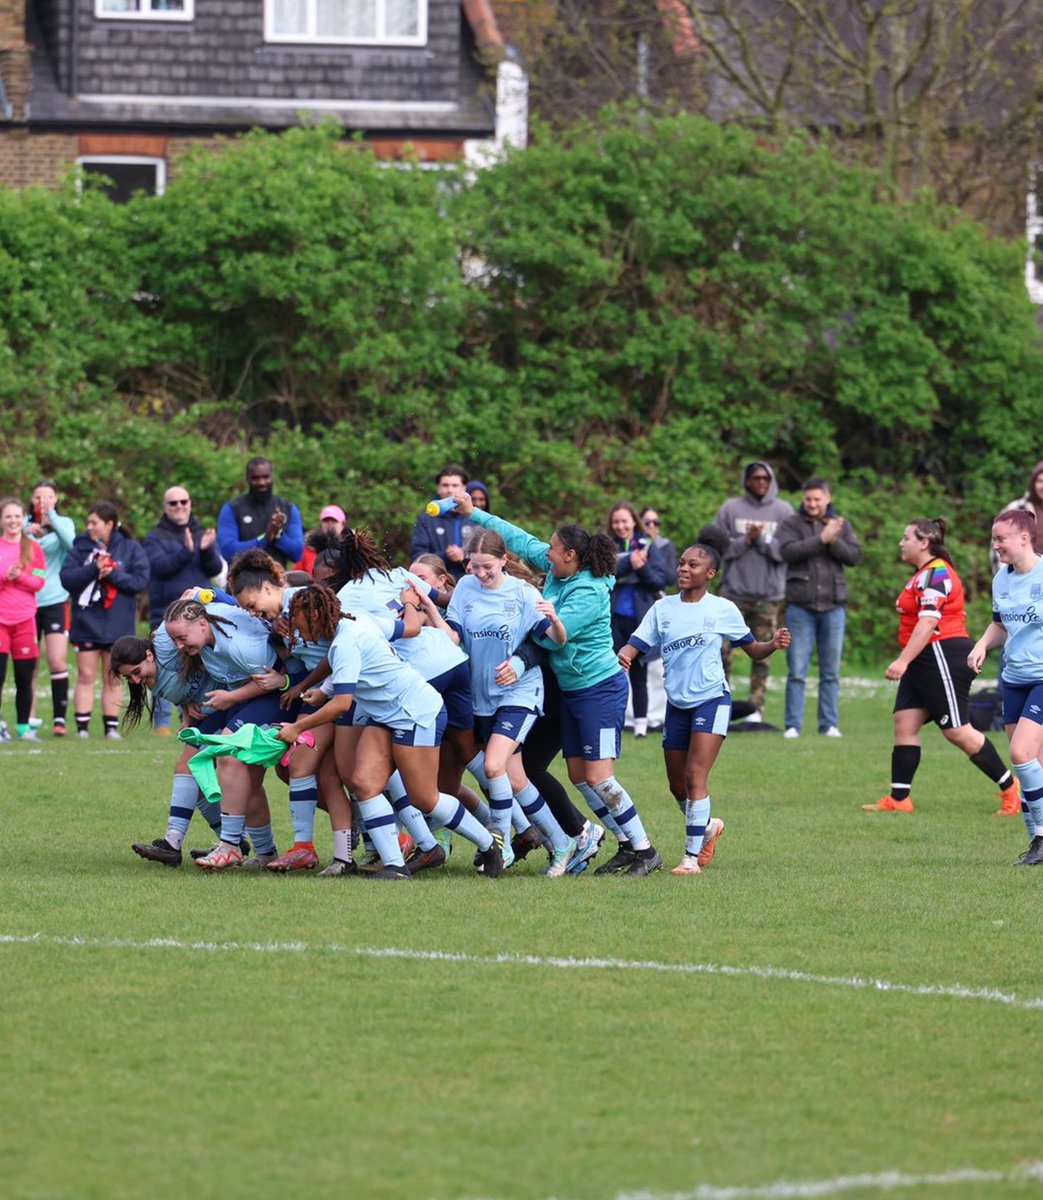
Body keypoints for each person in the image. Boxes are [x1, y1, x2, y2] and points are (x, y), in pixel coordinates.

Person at [451, 488, 663, 876]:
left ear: (571, 555)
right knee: (577, 774)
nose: (545, 552)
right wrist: (475, 514)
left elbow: (546, 636)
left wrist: (513, 653)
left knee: (598, 775)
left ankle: (644, 849)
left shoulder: (589, 591)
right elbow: (517, 540)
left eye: (553, 548)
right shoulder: (557, 569)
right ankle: (619, 842)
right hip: (565, 690)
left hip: (598, 689)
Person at [273, 585, 505, 881]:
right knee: (363, 783)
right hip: (386, 715)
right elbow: (349, 653)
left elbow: (343, 704)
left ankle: (489, 843)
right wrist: (314, 688)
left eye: (297, 619)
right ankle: (395, 866)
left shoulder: (345, 641)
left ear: (316, 614)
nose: (293, 628)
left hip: (415, 712)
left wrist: (297, 727)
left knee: (425, 798)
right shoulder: (353, 621)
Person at [619, 528, 790, 874]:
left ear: (709, 574)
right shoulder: (662, 609)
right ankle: (709, 827)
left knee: (696, 777)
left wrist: (771, 644)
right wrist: (623, 654)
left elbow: (753, 650)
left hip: (712, 700)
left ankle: (690, 859)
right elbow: (633, 644)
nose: (683, 569)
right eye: (681, 563)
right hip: (677, 704)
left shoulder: (723, 609)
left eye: (692, 565)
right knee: (677, 784)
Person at [863, 518, 1021, 816]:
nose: (901, 542)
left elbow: (929, 622)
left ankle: (1011, 789)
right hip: (925, 658)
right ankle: (900, 799)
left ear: (924, 542)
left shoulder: (937, 573)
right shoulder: (923, 573)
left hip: (941, 655)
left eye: (906, 537)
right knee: (905, 723)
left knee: (957, 730)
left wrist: (902, 660)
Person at [445, 527, 579, 875]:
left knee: (493, 767)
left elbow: (555, 640)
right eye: (474, 566)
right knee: (516, 779)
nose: (481, 573)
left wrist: (555, 619)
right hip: (482, 697)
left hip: (521, 692)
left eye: (487, 565)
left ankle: (499, 846)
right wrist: (427, 607)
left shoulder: (522, 593)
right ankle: (563, 844)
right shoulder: (464, 587)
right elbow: (454, 635)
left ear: (504, 560)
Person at [162, 596, 287, 869]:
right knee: (199, 754)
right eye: (174, 639)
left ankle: (230, 844)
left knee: (230, 754)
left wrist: (231, 698)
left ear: (203, 624)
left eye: (182, 638)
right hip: (241, 698)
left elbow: (271, 682)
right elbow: (208, 595)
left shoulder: (242, 647)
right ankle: (265, 853)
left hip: (273, 697)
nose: (178, 646)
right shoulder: (202, 623)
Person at [969, 509, 1043, 865]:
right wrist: (982, 644)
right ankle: (1036, 846)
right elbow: (999, 624)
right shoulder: (1002, 578)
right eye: (994, 539)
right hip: (1013, 679)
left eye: (1001, 539)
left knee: (1021, 754)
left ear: (1024, 539)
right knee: (1032, 763)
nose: (995, 545)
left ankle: (1042, 840)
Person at [776, 477, 862, 738]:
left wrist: (834, 540)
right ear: (803, 500)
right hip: (800, 606)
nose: (812, 504)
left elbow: (855, 557)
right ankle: (793, 725)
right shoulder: (791, 523)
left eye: (817, 499)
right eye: (808, 499)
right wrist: (821, 539)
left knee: (831, 671)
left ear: (828, 499)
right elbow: (785, 552)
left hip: (834, 607)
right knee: (797, 669)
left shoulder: (839, 525)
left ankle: (829, 725)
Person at [59, 500, 150, 740]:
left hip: (118, 624)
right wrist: (93, 569)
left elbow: (139, 582)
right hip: (86, 621)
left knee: (113, 677)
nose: (89, 527)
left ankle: (111, 727)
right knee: (86, 675)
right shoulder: (80, 548)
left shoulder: (130, 548)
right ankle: (82, 729)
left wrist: (113, 573)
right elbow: (67, 579)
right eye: (88, 522)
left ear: (110, 524)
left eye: (94, 522)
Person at [712, 462, 793, 719]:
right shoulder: (730, 508)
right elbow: (718, 548)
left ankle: (755, 709)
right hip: (732, 593)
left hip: (767, 596)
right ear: (746, 480)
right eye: (756, 478)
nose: (761, 482)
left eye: (766, 478)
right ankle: (719, 701)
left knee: (763, 652)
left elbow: (786, 552)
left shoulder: (783, 511)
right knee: (721, 650)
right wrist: (745, 540)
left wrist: (762, 539)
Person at [143, 486, 223, 736]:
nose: (179, 507)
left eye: (183, 501)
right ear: (165, 508)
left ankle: (194, 714)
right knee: (162, 664)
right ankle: (162, 722)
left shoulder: (201, 533)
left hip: (197, 617)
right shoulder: (155, 537)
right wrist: (186, 552)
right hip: (165, 615)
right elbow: (159, 567)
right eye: (173, 503)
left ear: (190, 502)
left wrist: (207, 550)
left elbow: (213, 569)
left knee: (197, 663)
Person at [607, 501, 673, 738]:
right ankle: (615, 720)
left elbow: (660, 580)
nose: (620, 526)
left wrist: (641, 568)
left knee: (639, 671)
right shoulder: (607, 545)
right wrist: (628, 564)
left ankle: (641, 726)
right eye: (616, 522)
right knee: (614, 670)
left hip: (640, 617)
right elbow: (605, 573)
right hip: (614, 617)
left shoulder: (648, 544)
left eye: (624, 521)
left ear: (634, 521)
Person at [24, 480, 75, 737]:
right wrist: (26, 529)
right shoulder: (22, 525)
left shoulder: (63, 523)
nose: (42, 501)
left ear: (56, 500)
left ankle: (59, 720)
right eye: (38, 497)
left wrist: (50, 517)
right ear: (31, 500)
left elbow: (72, 543)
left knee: (56, 659)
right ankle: (28, 717)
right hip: (26, 601)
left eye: (48, 497)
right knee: (28, 662)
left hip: (55, 600)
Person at [0, 497, 46, 743]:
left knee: (24, 678)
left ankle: (23, 728)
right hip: (0, 621)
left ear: (23, 519)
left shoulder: (33, 549)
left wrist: (19, 578)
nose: (13, 521)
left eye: (17, 516)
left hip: (25, 620)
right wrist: (6, 577)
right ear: (1, 520)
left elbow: (39, 582)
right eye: (8, 516)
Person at [217, 456, 303, 569]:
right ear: (248, 478)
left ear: (272, 477)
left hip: (278, 583)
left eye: (266, 477)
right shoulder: (232, 509)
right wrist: (264, 539)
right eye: (255, 478)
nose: (261, 482)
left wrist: (278, 535)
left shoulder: (288, 508)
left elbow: (297, 553)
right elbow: (227, 551)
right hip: (241, 583)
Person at [409, 463, 476, 581]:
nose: (450, 490)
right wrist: (446, 555)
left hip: (472, 583)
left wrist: (465, 555)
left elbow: (489, 554)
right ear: (438, 488)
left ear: (464, 488)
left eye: (455, 485)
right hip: (438, 586)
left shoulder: (475, 518)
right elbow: (418, 557)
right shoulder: (426, 519)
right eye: (445, 485)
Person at [990, 460, 1043, 572]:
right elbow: (998, 544)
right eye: (1040, 481)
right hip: (1025, 579)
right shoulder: (1018, 509)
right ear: (1033, 483)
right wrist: (1006, 578)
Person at [295, 504, 347, 576]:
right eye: (326, 521)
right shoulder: (308, 549)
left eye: (334, 521)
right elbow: (296, 575)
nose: (329, 524)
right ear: (321, 524)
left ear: (343, 524)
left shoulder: (351, 549)